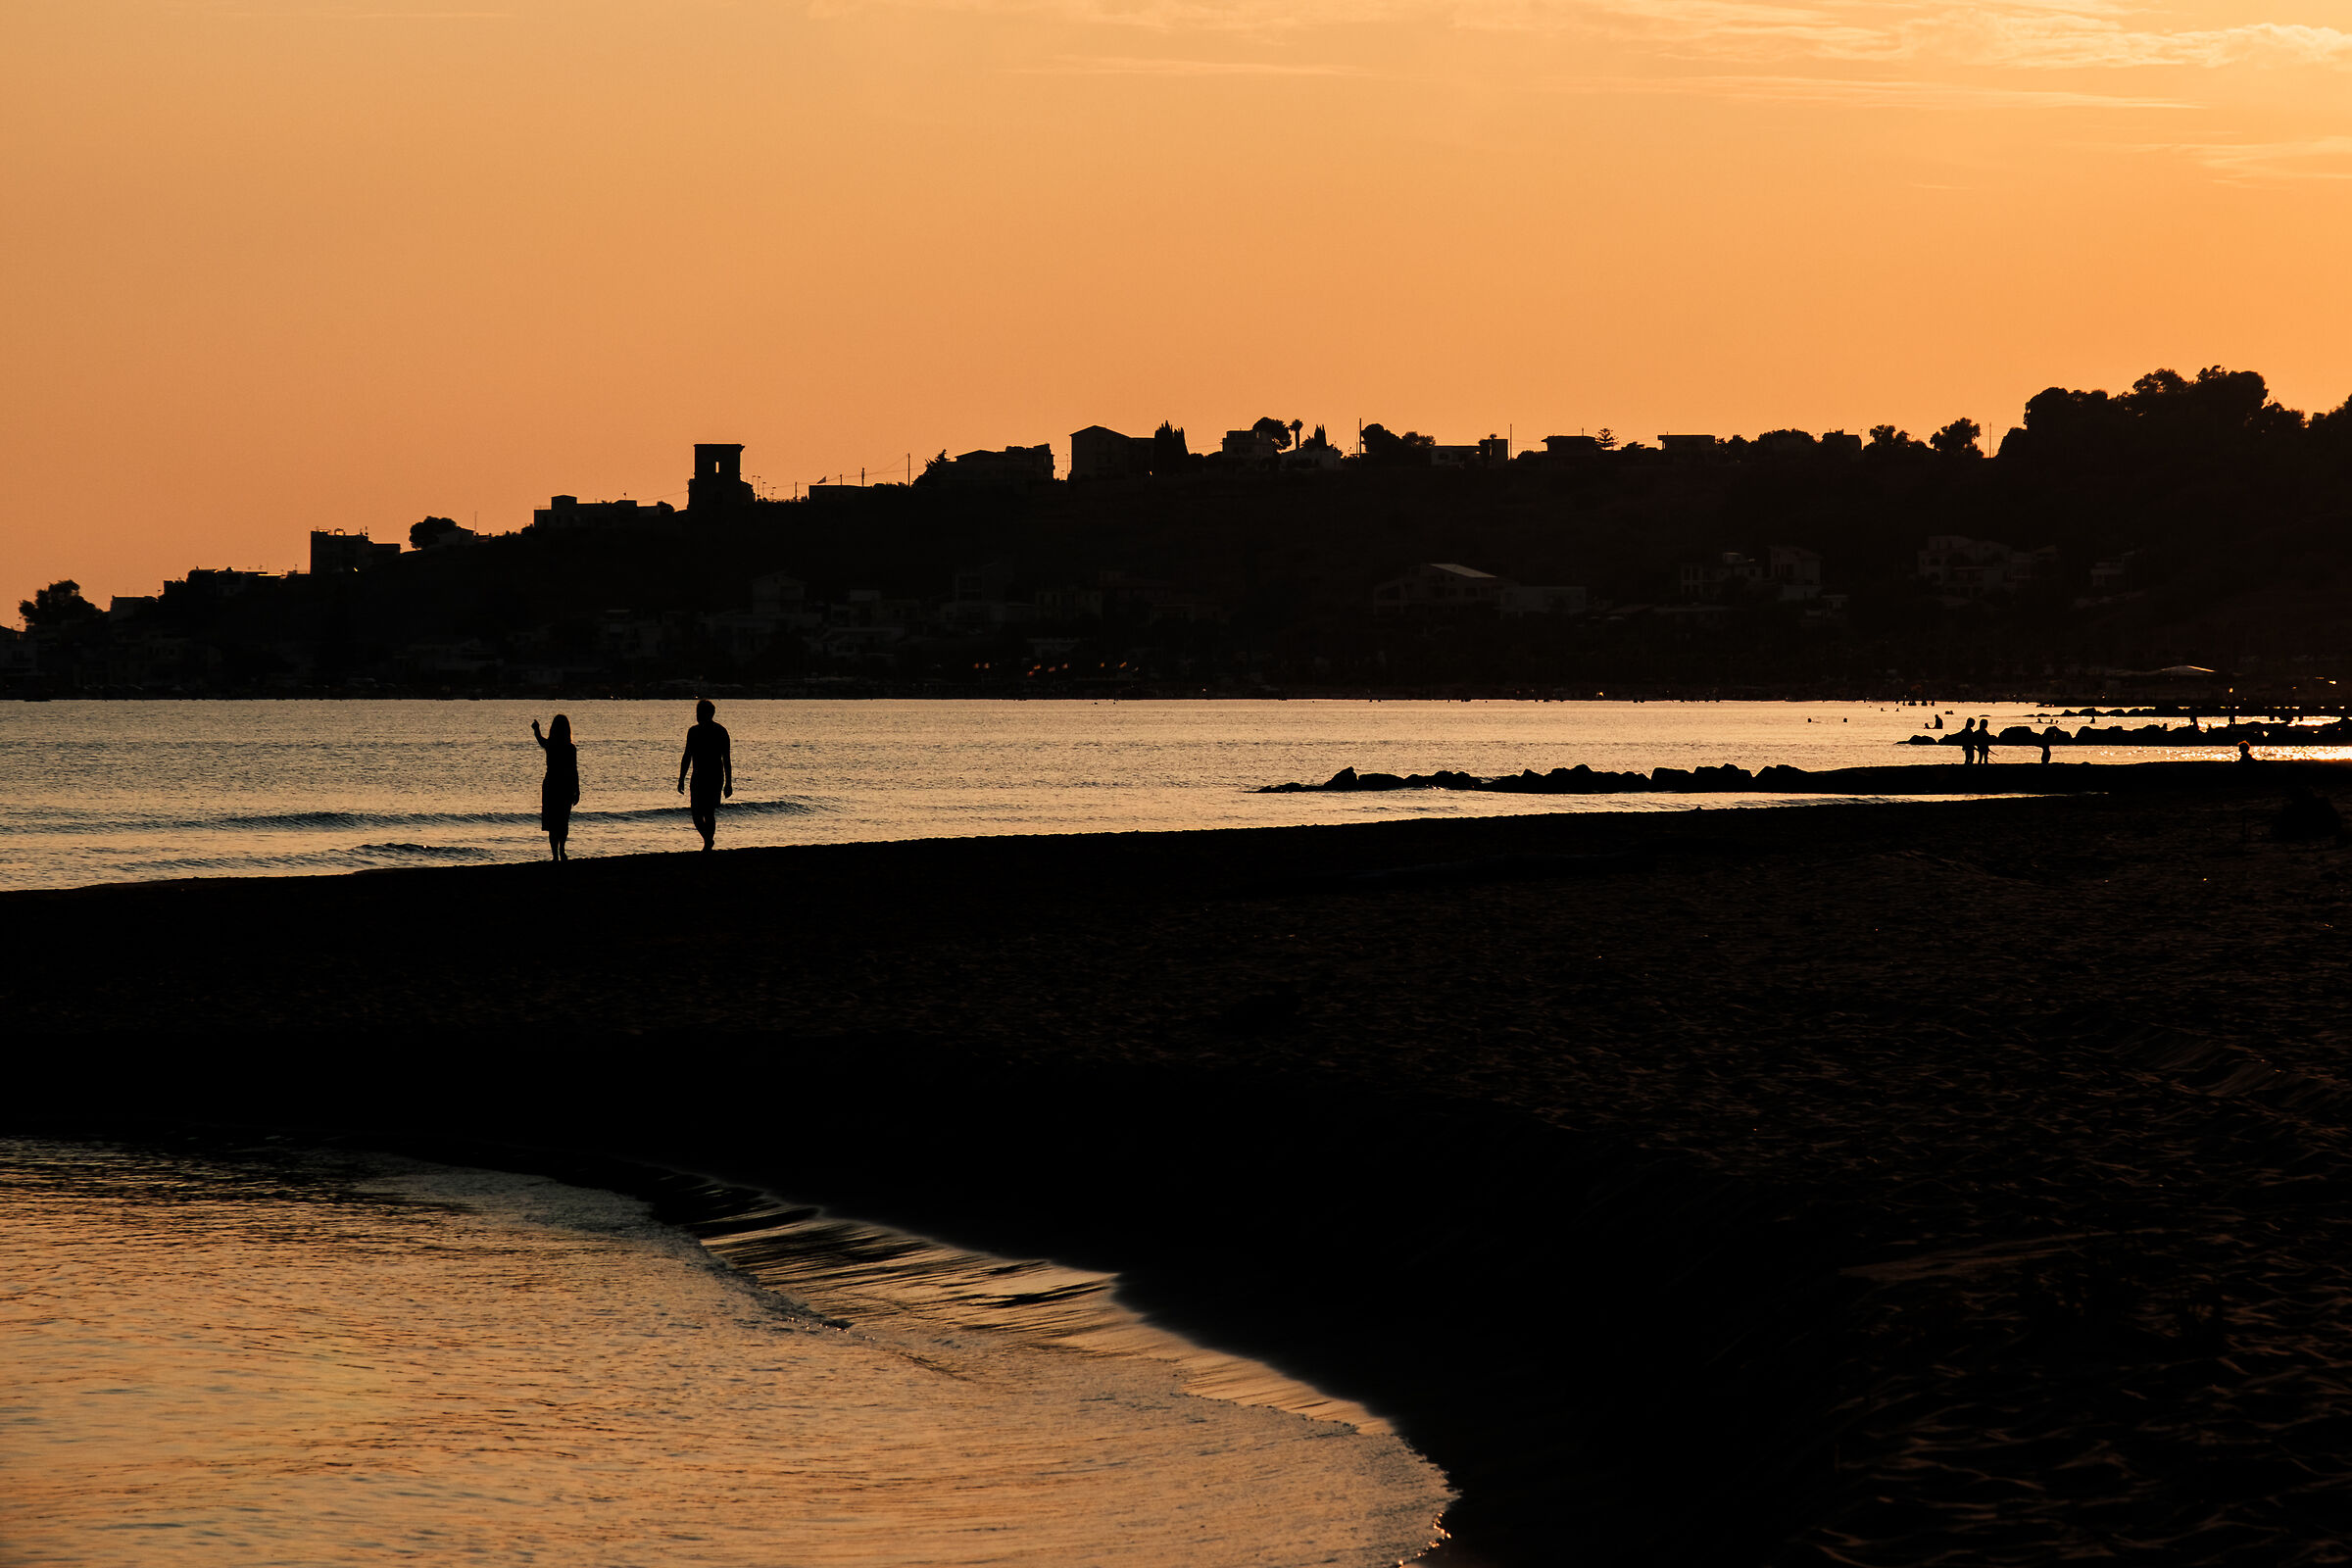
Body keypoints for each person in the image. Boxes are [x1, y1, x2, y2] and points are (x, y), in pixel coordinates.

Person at [677, 697, 733, 851]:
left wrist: (729, 783)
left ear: (708, 714)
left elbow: (726, 759)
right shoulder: (693, 732)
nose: (697, 715)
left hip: (714, 777)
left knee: (708, 812)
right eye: (697, 712)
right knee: (696, 812)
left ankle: (708, 844)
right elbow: (687, 756)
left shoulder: (720, 732)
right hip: (699, 776)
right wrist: (681, 778)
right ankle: (708, 840)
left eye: (699, 712)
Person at [532, 714, 579, 860]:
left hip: (551, 785)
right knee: (563, 820)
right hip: (565, 785)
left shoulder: (551, 745)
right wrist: (577, 790)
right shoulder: (570, 748)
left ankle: (555, 855)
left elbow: (540, 740)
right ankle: (562, 850)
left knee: (553, 823)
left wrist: (537, 730)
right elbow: (574, 770)